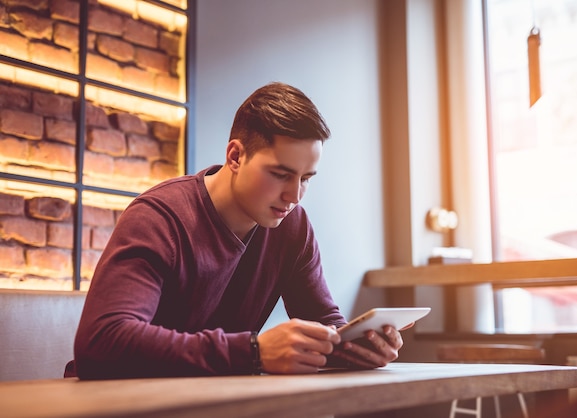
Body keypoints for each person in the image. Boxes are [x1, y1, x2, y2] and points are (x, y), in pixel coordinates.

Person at [66, 82, 406, 379]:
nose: (294, 196)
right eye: (280, 174)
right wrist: (253, 352)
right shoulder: (159, 218)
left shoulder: (291, 226)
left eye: (305, 179)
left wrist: (359, 346)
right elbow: (102, 342)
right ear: (235, 156)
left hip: (215, 401)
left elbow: (324, 322)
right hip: (115, 403)